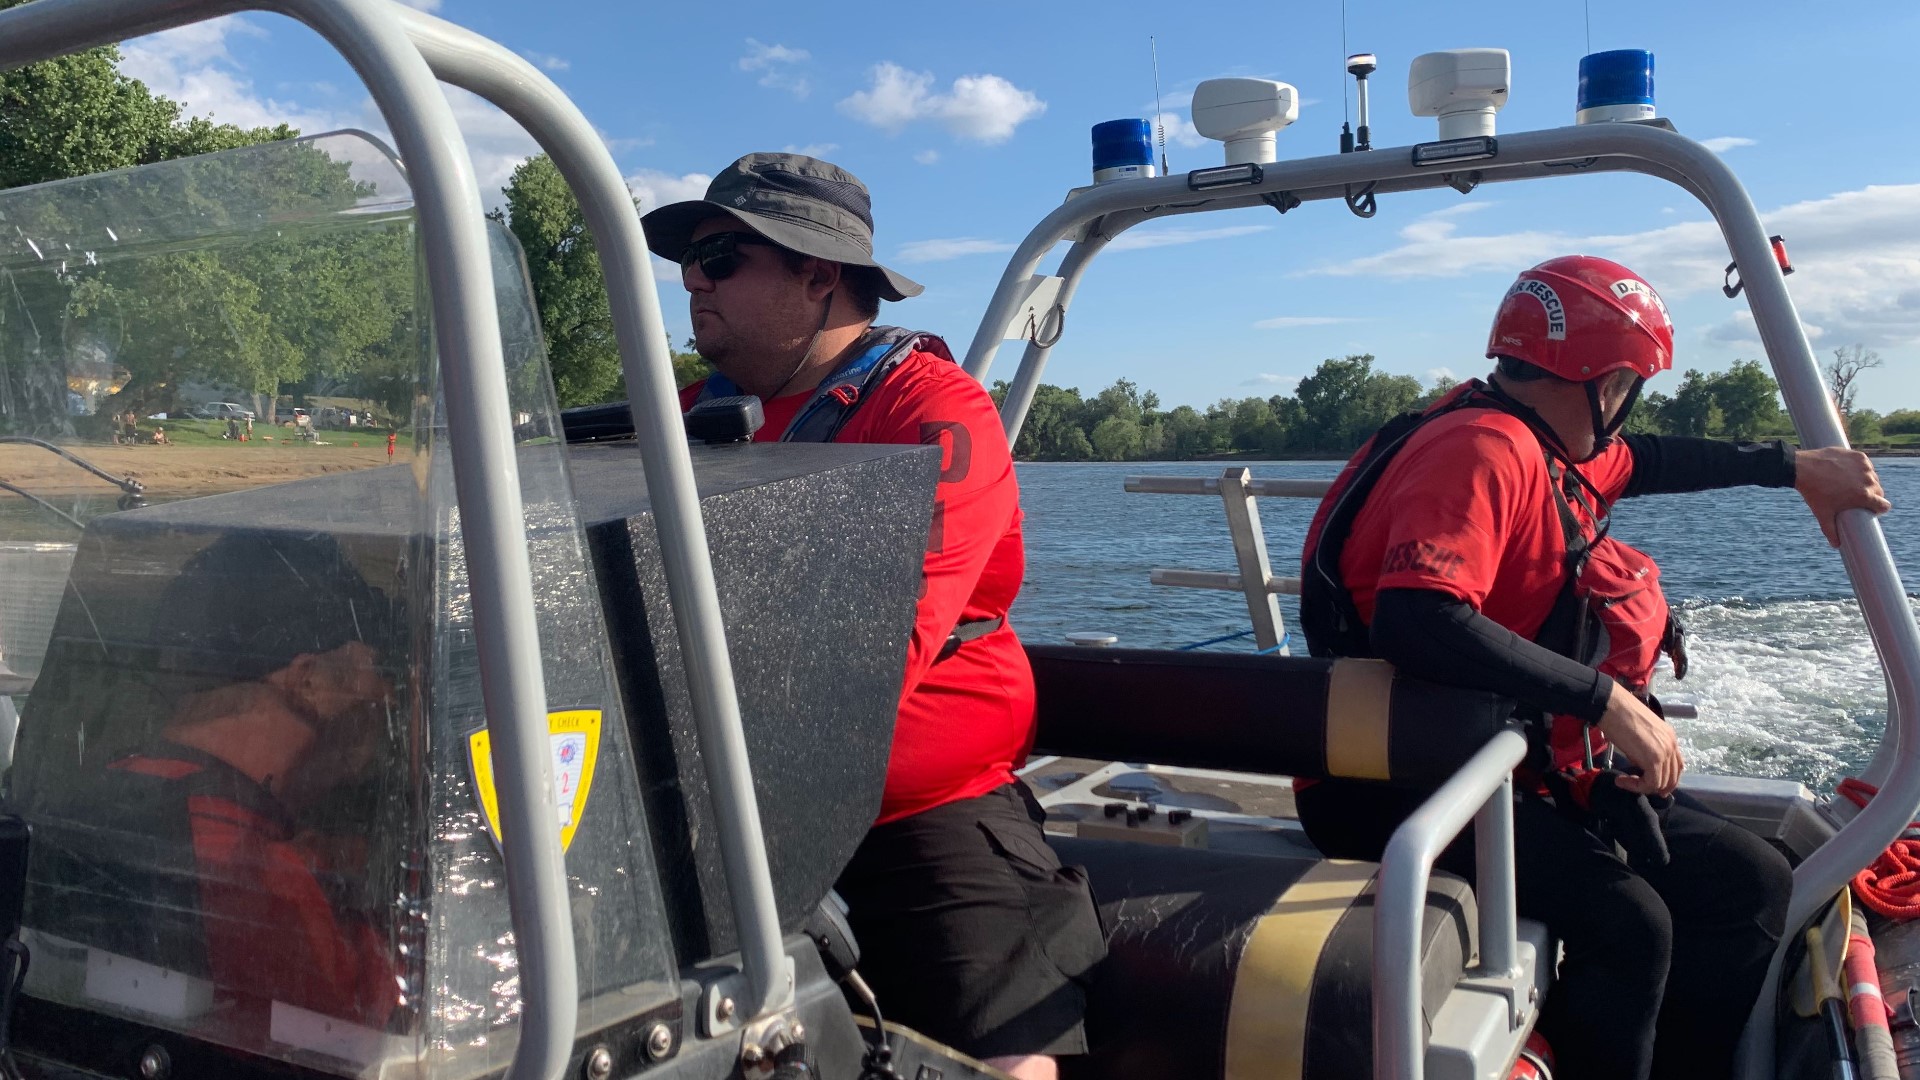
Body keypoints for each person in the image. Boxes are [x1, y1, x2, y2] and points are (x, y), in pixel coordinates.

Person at [1297, 255, 1890, 1080]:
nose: (1625, 408)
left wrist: (1792, 468)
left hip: (1501, 760)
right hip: (1390, 780)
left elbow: (1650, 460)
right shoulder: (1483, 451)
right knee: (1632, 924)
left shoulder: (1542, 437)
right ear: (1604, 382)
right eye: (1628, 386)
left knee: (1750, 882)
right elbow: (1416, 616)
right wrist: (1605, 697)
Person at [642, 153, 1104, 1079]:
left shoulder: (933, 415)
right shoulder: (678, 417)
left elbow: (877, 648)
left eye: (723, 256)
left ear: (819, 274)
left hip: (915, 809)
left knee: (1009, 1061)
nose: (692, 280)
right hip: (706, 807)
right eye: (688, 260)